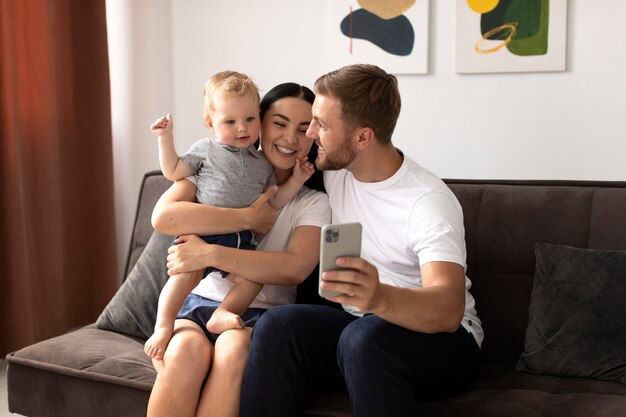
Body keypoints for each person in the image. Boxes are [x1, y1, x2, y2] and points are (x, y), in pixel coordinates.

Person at [238, 64, 484, 417]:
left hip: (444, 342)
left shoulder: (427, 201)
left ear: (363, 138)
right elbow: (261, 158)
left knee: (363, 339)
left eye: (321, 124)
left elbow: (448, 309)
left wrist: (379, 296)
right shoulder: (337, 171)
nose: (310, 132)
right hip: (362, 331)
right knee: (277, 327)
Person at [146, 82, 330, 417]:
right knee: (184, 352)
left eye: (304, 129)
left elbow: (293, 269)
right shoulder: (217, 167)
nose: (290, 138)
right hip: (199, 300)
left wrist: (209, 254)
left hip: (256, 315)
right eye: (279, 123)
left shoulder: (312, 202)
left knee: (234, 350)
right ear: (261, 123)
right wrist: (247, 217)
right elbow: (164, 216)